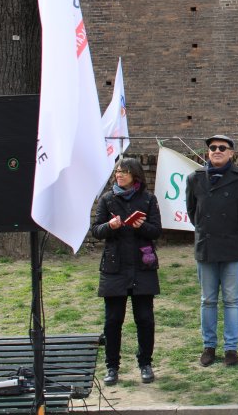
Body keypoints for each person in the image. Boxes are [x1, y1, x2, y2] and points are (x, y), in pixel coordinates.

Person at [186, 134, 238, 367]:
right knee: (207, 300)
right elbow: (192, 212)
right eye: (213, 147)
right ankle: (208, 346)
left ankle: (231, 349)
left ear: (231, 153)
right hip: (206, 246)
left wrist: (234, 232)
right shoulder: (194, 178)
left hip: (232, 245)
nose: (217, 151)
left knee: (231, 299)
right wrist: (205, 230)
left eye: (222, 148)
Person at [91, 157, 162, 385]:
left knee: (145, 319)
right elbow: (96, 231)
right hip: (114, 267)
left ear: (135, 175)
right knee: (113, 320)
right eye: (117, 172)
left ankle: (145, 364)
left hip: (142, 266)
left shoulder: (148, 199)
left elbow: (156, 231)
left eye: (124, 172)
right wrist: (110, 226)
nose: (119, 175)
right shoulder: (107, 199)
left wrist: (142, 226)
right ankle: (112, 367)